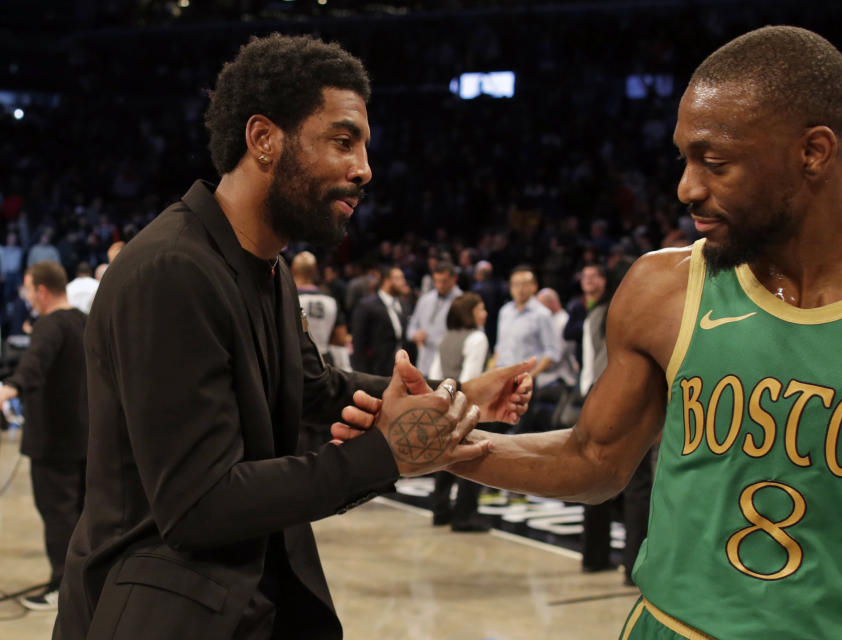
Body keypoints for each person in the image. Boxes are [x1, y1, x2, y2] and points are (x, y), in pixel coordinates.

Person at [341, 26, 842, 639]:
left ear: (814, 152)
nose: (687, 188)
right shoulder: (663, 287)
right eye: (685, 158)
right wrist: (441, 445)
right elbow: (595, 459)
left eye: (716, 163)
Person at [54, 34, 532, 640]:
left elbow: (314, 389)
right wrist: (386, 454)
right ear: (263, 140)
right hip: (162, 612)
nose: (364, 168)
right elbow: (199, 506)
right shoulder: (170, 270)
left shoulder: (265, 264)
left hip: (250, 601)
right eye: (342, 140)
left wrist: (452, 394)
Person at [0, 261, 87, 610]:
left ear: (41, 290)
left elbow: (33, 366)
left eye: (28, 289)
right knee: (81, 514)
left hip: (54, 443)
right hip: (84, 439)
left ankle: (61, 588)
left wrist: (10, 388)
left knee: (58, 516)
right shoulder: (83, 321)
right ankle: (82, 584)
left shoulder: (49, 326)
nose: (26, 297)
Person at [428, 292, 491, 532]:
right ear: (469, 313)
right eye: (481, 309)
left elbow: (435, 373)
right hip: (466, 406)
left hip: (443, 402)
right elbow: (470, 378)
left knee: (445, 459)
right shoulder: (477, 338)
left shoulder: (446, 338)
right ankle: (464, 515)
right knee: (471, 460)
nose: (484, 314)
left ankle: (440, 510)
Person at [351, 265, 409, 376]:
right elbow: (358, 342)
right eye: (398, 278)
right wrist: (362, 374)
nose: (403, 282)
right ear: (387, 281)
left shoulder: (404, 304)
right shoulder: (366, 305)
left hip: (400, 369)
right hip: (376, 370)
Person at [407, 260, 462, 374]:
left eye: (444, 281)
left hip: (449, 366)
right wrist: (415, 334)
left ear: (454, 278)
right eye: (436, 281)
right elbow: (412, 326)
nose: (440, 285)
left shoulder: (462, 301)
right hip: (424, 364)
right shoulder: (425, 299)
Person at [291, 250, 345, 363]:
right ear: (315, 272)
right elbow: (341, 338)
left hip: (295, 360)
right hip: (324, 361)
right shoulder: (330, 300)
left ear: (292, 270)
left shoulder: (288, 297)